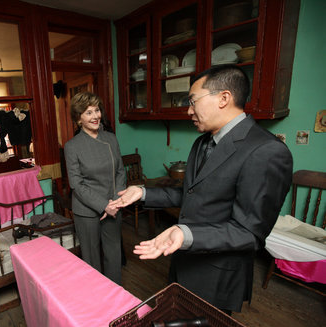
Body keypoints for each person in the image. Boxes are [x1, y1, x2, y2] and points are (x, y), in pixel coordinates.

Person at [111, 65, 293, 313]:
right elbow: (190, 193)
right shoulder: (203, 141)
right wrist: (142, 192)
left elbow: (249, 233)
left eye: (193, 101)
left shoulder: (266, 151)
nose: (188, 110)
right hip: (184, 258)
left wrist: (185, 234)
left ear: (224, 98)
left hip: (215, 273)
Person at [64, 92, 126, 285]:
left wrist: (115, 202)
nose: (95, 116)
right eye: (88, 112)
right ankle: (98, 298)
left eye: (97, 110)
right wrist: (103, 205)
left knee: (114, 255)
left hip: (114, 206)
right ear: (78, 119)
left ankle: (117, 296)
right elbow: (76, 184)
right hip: (87, 211)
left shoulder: (111, 139)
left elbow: (120, 172)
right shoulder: (72, 146)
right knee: (91, 259)